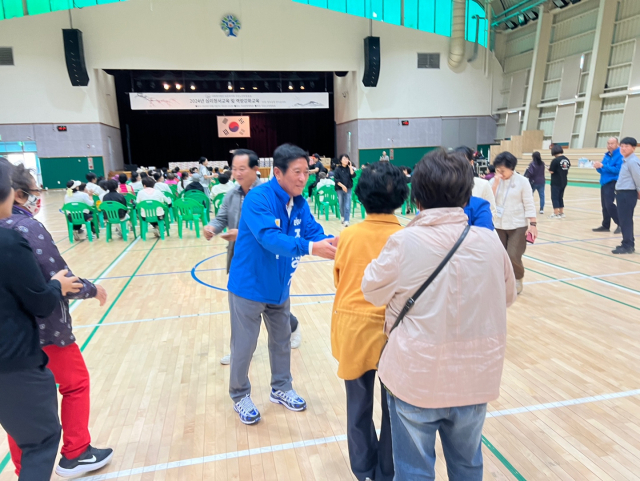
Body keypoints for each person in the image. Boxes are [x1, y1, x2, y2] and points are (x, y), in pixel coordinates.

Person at [361, 149, 517, 481]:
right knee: (468, 464)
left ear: (416, 197)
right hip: (476, 375)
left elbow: (371, 291)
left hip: (416, 375)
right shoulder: (490, 243)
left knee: (414, 470)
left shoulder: (403, 242)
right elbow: (508, 296)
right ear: (466, 195)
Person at [2, 163, 114, 478]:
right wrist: (90, 289)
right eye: (35, 192)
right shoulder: (25, 229)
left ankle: (24, 467)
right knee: (75, 383)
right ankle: (76, 451)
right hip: (44, 330)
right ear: (19, 194)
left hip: (9, 341)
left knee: (18, 406)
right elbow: (55, 276)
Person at [226, 143, 338, 425]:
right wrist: (312, 248)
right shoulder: (259, 199)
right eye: (297, 172)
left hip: (279, 287)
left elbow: (315, 232)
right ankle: (240, 395)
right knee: (245, 346)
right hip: (248, 288)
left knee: (282, 341)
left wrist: (343, 243)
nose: (303, 178)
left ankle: (281, 387)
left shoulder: (299, 202)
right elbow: (269, 238)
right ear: (278, 172)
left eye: (307, 172)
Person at [332, 162, 408, 481]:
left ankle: (363, 471)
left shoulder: (348, 235)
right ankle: (387, 471)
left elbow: (340, 280)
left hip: (352, 328)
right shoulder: (407, 236)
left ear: (360, 196)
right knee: (394, 411)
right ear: (402, 198)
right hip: (396, 332)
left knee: (358, 406)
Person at [204, 149, 304, 365]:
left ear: (255, 170)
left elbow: (275, 230)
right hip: (240, 261)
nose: (237, 173)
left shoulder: (271, 194)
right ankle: (238, 350)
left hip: (267, 261)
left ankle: (292, 327)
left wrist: (240, 234)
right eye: (234, 169)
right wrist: (212, 227)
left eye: (242, 169)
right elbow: (222, 217)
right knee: (240, 313)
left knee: (272, 307)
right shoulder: (232, 194)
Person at [490, 152, 537, 294]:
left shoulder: (523, 181)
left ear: (511, 168)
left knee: (513, 254)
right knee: (499, 255)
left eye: (502, 170)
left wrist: (533, 225)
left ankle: (517, 279)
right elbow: (489, 201)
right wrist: (496, 183)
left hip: (517, 224)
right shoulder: (493, 181)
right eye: (497, 170)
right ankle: (502, 282)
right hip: (498, 224)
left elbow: (529, 203)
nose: (500, 173)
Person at [612, 137, 640, 254]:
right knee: (624, 220)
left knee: (626, 220)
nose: (623, 148)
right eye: (622, 146)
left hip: (627, 194)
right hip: (622, 193)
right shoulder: (626, 160)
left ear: (633, 148)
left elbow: (638, 178)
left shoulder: (633, 161)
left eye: (626, 146)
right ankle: (627, 243)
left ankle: (628, 245)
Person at [593, 137, 623, 233]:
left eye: (612, 143)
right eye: (608, 143)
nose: (609, 145)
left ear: (617, 144)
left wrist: (603, 166)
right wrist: (598, 167)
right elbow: (603, 169)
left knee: (609, 204)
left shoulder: (620, 155)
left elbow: (618, 170)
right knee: (604, 205)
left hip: (613, 182)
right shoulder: (606, 155)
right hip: (604, 182)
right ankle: (605, 225)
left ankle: (621, 224)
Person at [455, 146, 496, 215]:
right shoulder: (448, 184)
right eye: (456, 161)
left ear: (471, 162)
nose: (459, 164)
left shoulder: (483, 184)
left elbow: (492, 210)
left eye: (463, 161)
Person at [334, 154, 357, 227]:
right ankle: (343, 217)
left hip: (348, 188)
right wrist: (343, 186)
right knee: (341, 204)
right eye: (344, 159)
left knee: (347, 204)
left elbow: (353, 175)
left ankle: (347, 220)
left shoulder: (349, 168)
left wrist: (350, 167)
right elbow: (336, 180)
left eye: (347, 159)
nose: (346, 160)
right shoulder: (337, 169)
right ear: (341, 160)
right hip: (339, 189)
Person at [549, 144, 571, 218]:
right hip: (564, 181)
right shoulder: (567, 159)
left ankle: (556, 213)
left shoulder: (555, 160)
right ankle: (561, 212)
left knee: (554, 197)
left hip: (556, 181)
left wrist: (548, 169)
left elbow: (552, 171)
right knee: (560, 197)